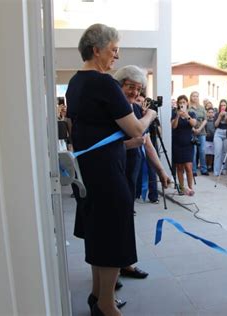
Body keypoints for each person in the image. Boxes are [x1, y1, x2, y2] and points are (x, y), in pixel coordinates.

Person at [66, 24, 158, 316]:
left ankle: (97, 297)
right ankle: (106, 303)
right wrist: (151, 115)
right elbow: (134, 130)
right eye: (114, 50)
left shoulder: (74, 83)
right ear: (97, 49)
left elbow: (78, 128)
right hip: (107, 172)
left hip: (89, 169)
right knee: (113, 234)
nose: (116, 57)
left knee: (98, 233)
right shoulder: (104, 83)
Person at [113, 65, 171, 283]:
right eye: (130, 87)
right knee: (114, 224)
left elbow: (147, 145)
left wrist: (161, 172)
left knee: (126, 220)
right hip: (114, 174)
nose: (135, 93)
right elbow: (111, 146)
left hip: (131, 175)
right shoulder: (112, 110)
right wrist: (130, 144)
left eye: (138, 89)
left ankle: (125, 263)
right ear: (119, 86)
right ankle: (110, 270)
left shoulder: (136, 111)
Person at [171, 95, 197, 195]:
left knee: (188, 166)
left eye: (184, 102)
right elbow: (173, 126)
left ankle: (190, 188)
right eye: (180, 102)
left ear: (187, 103)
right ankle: (181, 188)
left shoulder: (191, 113)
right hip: (177, 143)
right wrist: (178, 115)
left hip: (188, 144)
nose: (182, 104)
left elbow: (194, 124)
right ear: (178, 104)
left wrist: (187, 116)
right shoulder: (174, 113)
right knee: (179, 167)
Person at [189, 91, 208, 176]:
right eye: (193, 96)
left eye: (197, 96)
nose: (195, 97)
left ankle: (204, 169)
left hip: (201, 132)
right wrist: (193, 129)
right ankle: (193, 170)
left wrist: (199, 129)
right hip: (191, 132)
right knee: (193, 152)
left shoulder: (202, 108)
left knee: (202, 151)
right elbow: (187, 120)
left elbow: (205, 119)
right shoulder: (188, 108)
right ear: (191, 97)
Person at [213, 99, 227, 176]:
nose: (223, 107)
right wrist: (219, 116)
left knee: (225, 152)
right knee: (218, 152)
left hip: (226, 132)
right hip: (218, 132)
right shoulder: (216, 114)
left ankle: (224, 169)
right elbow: (215, 125)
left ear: (226, 106)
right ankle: (216, 170)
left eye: (224, 105)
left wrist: (226, 115)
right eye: (221, 105)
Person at [204, 107, 216, 172]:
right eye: (209, 112)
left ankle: (210, 166)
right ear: (207, 113)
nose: (211, 114)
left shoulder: (215, 121)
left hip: (213, 138)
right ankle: (205, 165)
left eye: (212, 112)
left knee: (211, 153)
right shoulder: (205, 121)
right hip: (206, 138)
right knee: (206, 153)